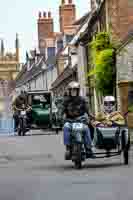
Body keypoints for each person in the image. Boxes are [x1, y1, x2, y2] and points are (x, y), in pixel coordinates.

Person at [63, 81, 95, 159]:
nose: (73, 91)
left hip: (81, 120)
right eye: (72, 90)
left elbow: (88, 110)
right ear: (69, 91)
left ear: (78, 90)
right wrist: (61, 117)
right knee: (65, 127)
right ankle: (68, 147)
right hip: (69, 120)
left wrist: (92, 116)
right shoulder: (66, 100)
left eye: (75, 89)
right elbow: (62, 110)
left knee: (87, 128)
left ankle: (88, 148)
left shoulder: (83, 99)